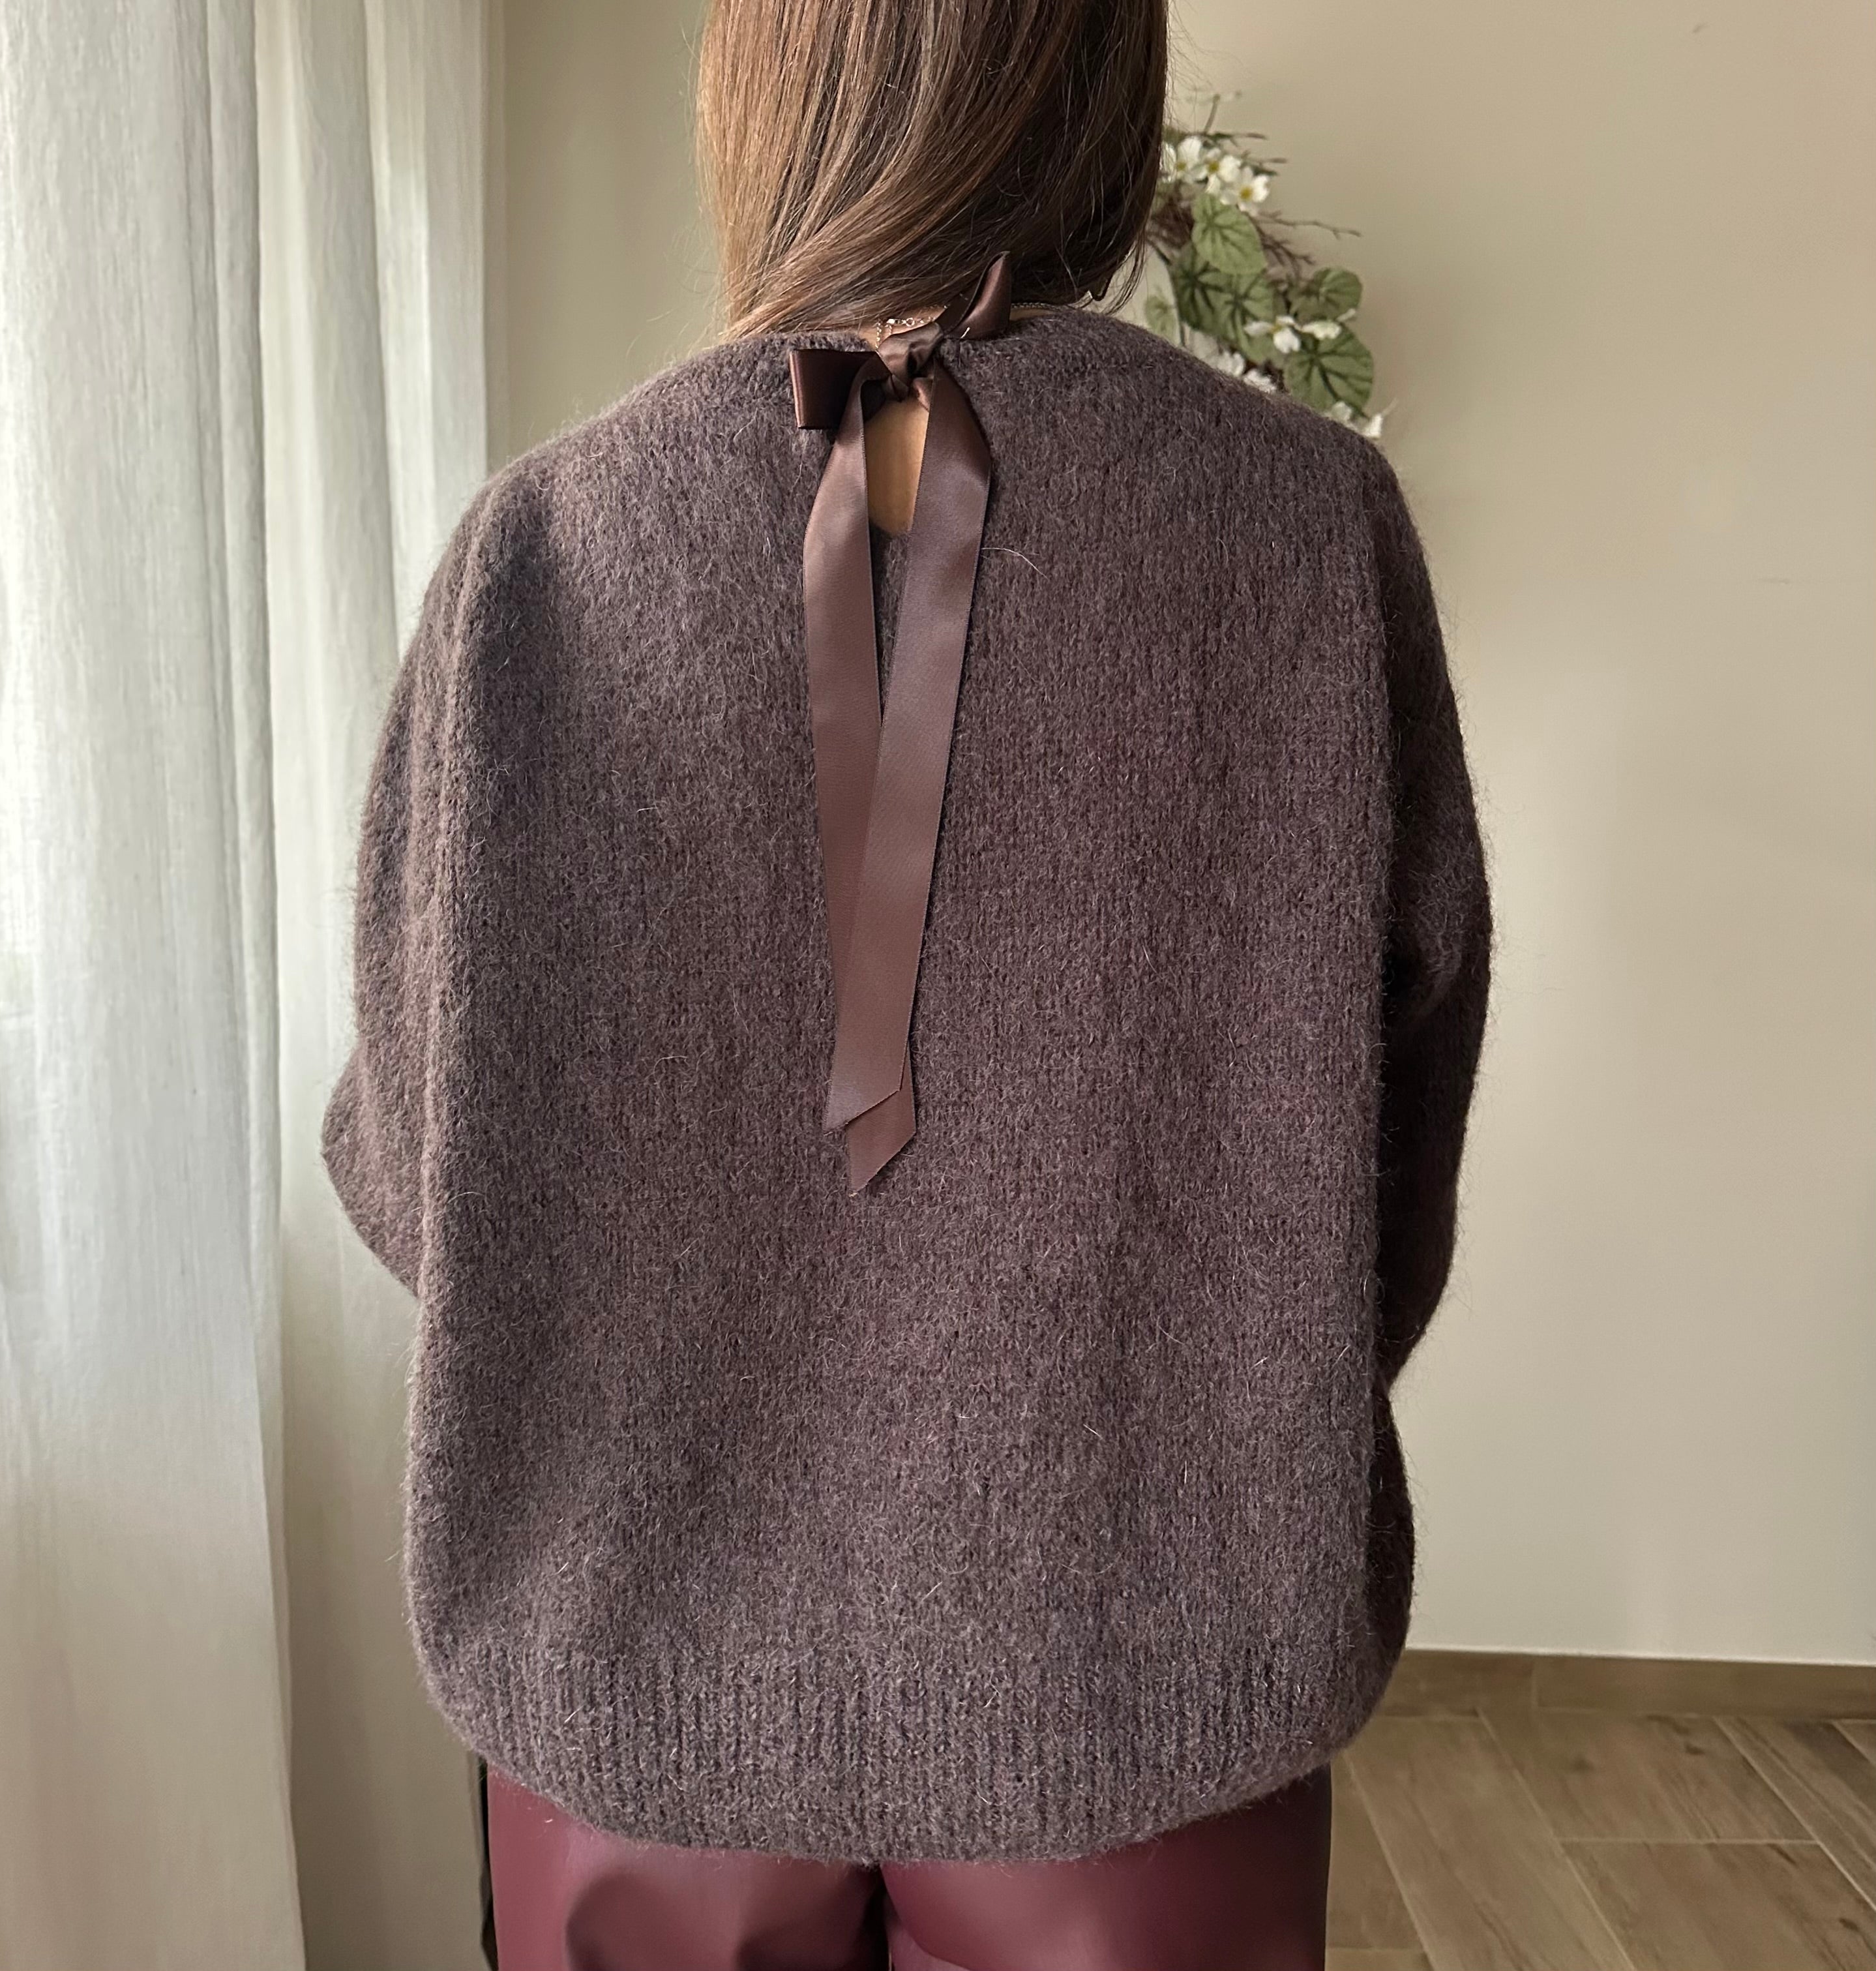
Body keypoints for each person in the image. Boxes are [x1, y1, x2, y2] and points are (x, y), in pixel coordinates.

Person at [321, 0, 1493, 1963]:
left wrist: (680, 1340)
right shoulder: (1304, 527)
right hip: (1143, 1667)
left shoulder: (543, 548)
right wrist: (1205, 1393)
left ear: (759, 94)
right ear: (1103, 89)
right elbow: (1404, 1113)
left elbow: (404, 1153)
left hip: (638, 1673)